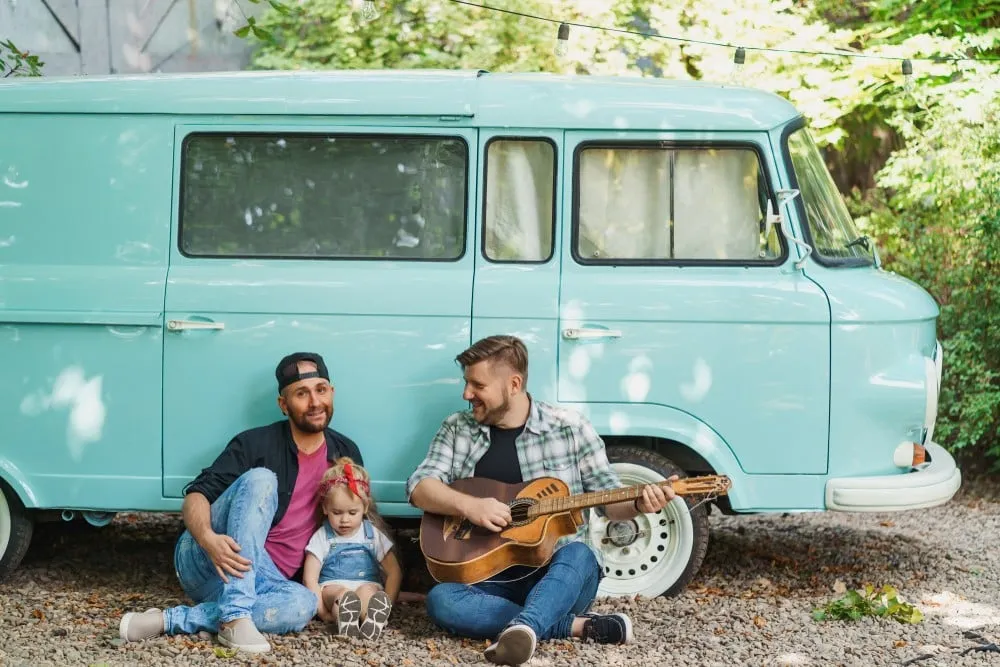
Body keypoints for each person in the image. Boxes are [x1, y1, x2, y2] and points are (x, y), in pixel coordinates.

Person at [407, 335, 676, 666]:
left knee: (579, 553)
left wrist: (639, 504)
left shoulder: (570, 429)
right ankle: (570, 627)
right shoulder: (457, 428)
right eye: (466, 383)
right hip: (487, 580)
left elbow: (608, 500)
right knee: (441, 600)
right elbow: (420, 486)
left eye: (477, 385)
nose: (466, 394)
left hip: (560, 575)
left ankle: (526, 626)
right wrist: (471, 506)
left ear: (514, 384)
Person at [119, 352, 364, 654]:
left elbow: (354, 527)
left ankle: (170, 620)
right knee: (261, 479)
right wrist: (208, 539)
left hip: (267, 580)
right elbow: (197, 496)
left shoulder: (344, 452)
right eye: (302, 394)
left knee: (304, 604)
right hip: (210, 561)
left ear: (332, 392)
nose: (315, 402)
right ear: (283, 405)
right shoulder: (255, 443)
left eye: (321, 390)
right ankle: (234, 617)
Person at [303, 457, 402, 641]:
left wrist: (388, 601)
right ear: (325, 508)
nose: (345, 520)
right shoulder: (322, 536)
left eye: (352, 512)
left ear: (365, 507)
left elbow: (394, 572)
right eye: (337, 513)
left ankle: (372, 617)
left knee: (367, 593)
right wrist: (323, 612)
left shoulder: (372, 533)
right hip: (334, 585)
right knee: (339, 594)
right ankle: (345, 617)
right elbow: (311, 577)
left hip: (366, 583)